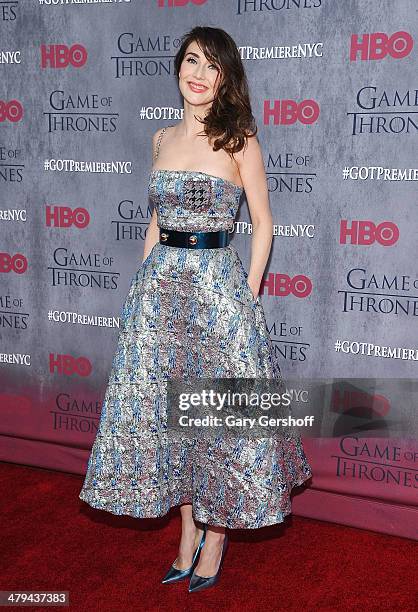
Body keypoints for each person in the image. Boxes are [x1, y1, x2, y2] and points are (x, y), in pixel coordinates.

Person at [79, 26, 312, 593]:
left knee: (219, 417)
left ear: (226, 77)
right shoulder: (161, 139)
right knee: (169, 416)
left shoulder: (240, 139)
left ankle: (218, 537)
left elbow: (263, 223)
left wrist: (249, 291)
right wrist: (142, 281)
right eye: (190, 61)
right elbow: (156, 221)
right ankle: (186, 533)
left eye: (211, 65)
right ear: (178, 69)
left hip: (216, 290)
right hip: (160, 291)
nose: (198, 74)